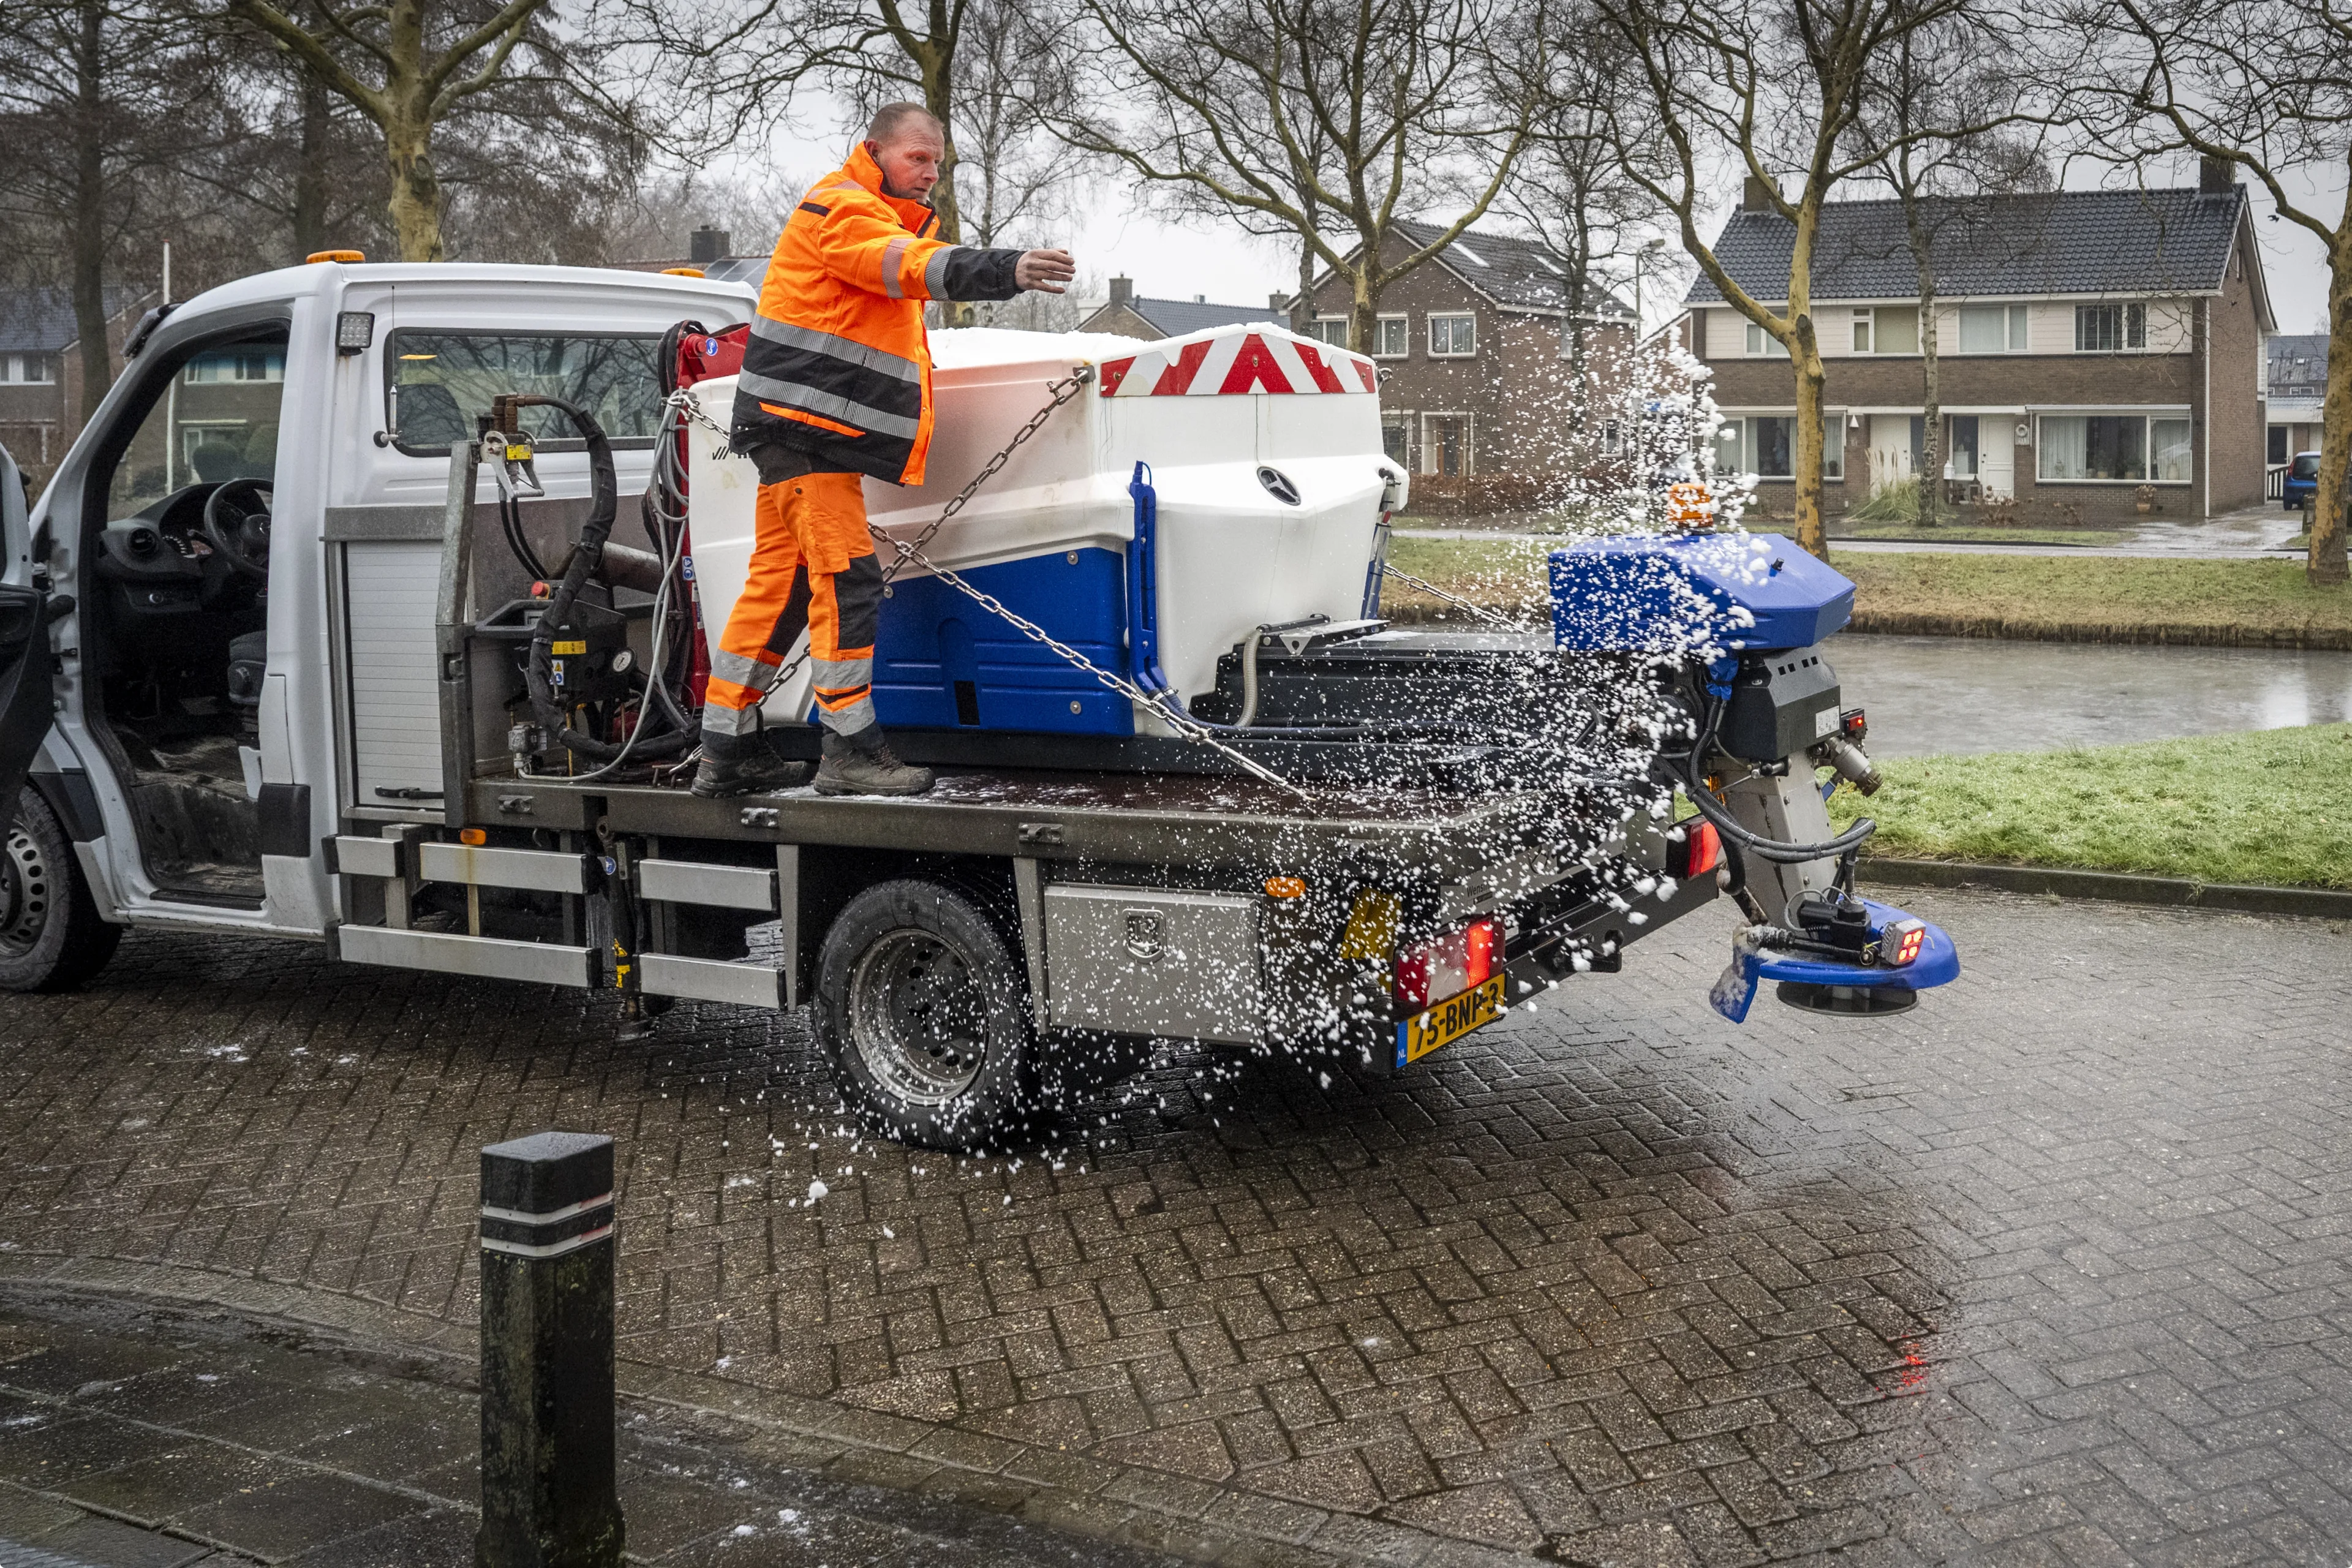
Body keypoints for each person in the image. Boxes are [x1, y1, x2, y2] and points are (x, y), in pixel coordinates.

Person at [693, 104, 1078, 798]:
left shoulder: (865, 211)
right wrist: (1006, 269)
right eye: (917, 158)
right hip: (806, 433)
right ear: (874, 151)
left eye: (937, 163)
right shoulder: (844, 208)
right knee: (848, 580)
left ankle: (726, 750)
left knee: (782, 587)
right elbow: (906, 264)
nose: (930, 174)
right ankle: (849, 750)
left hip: (797, 433)